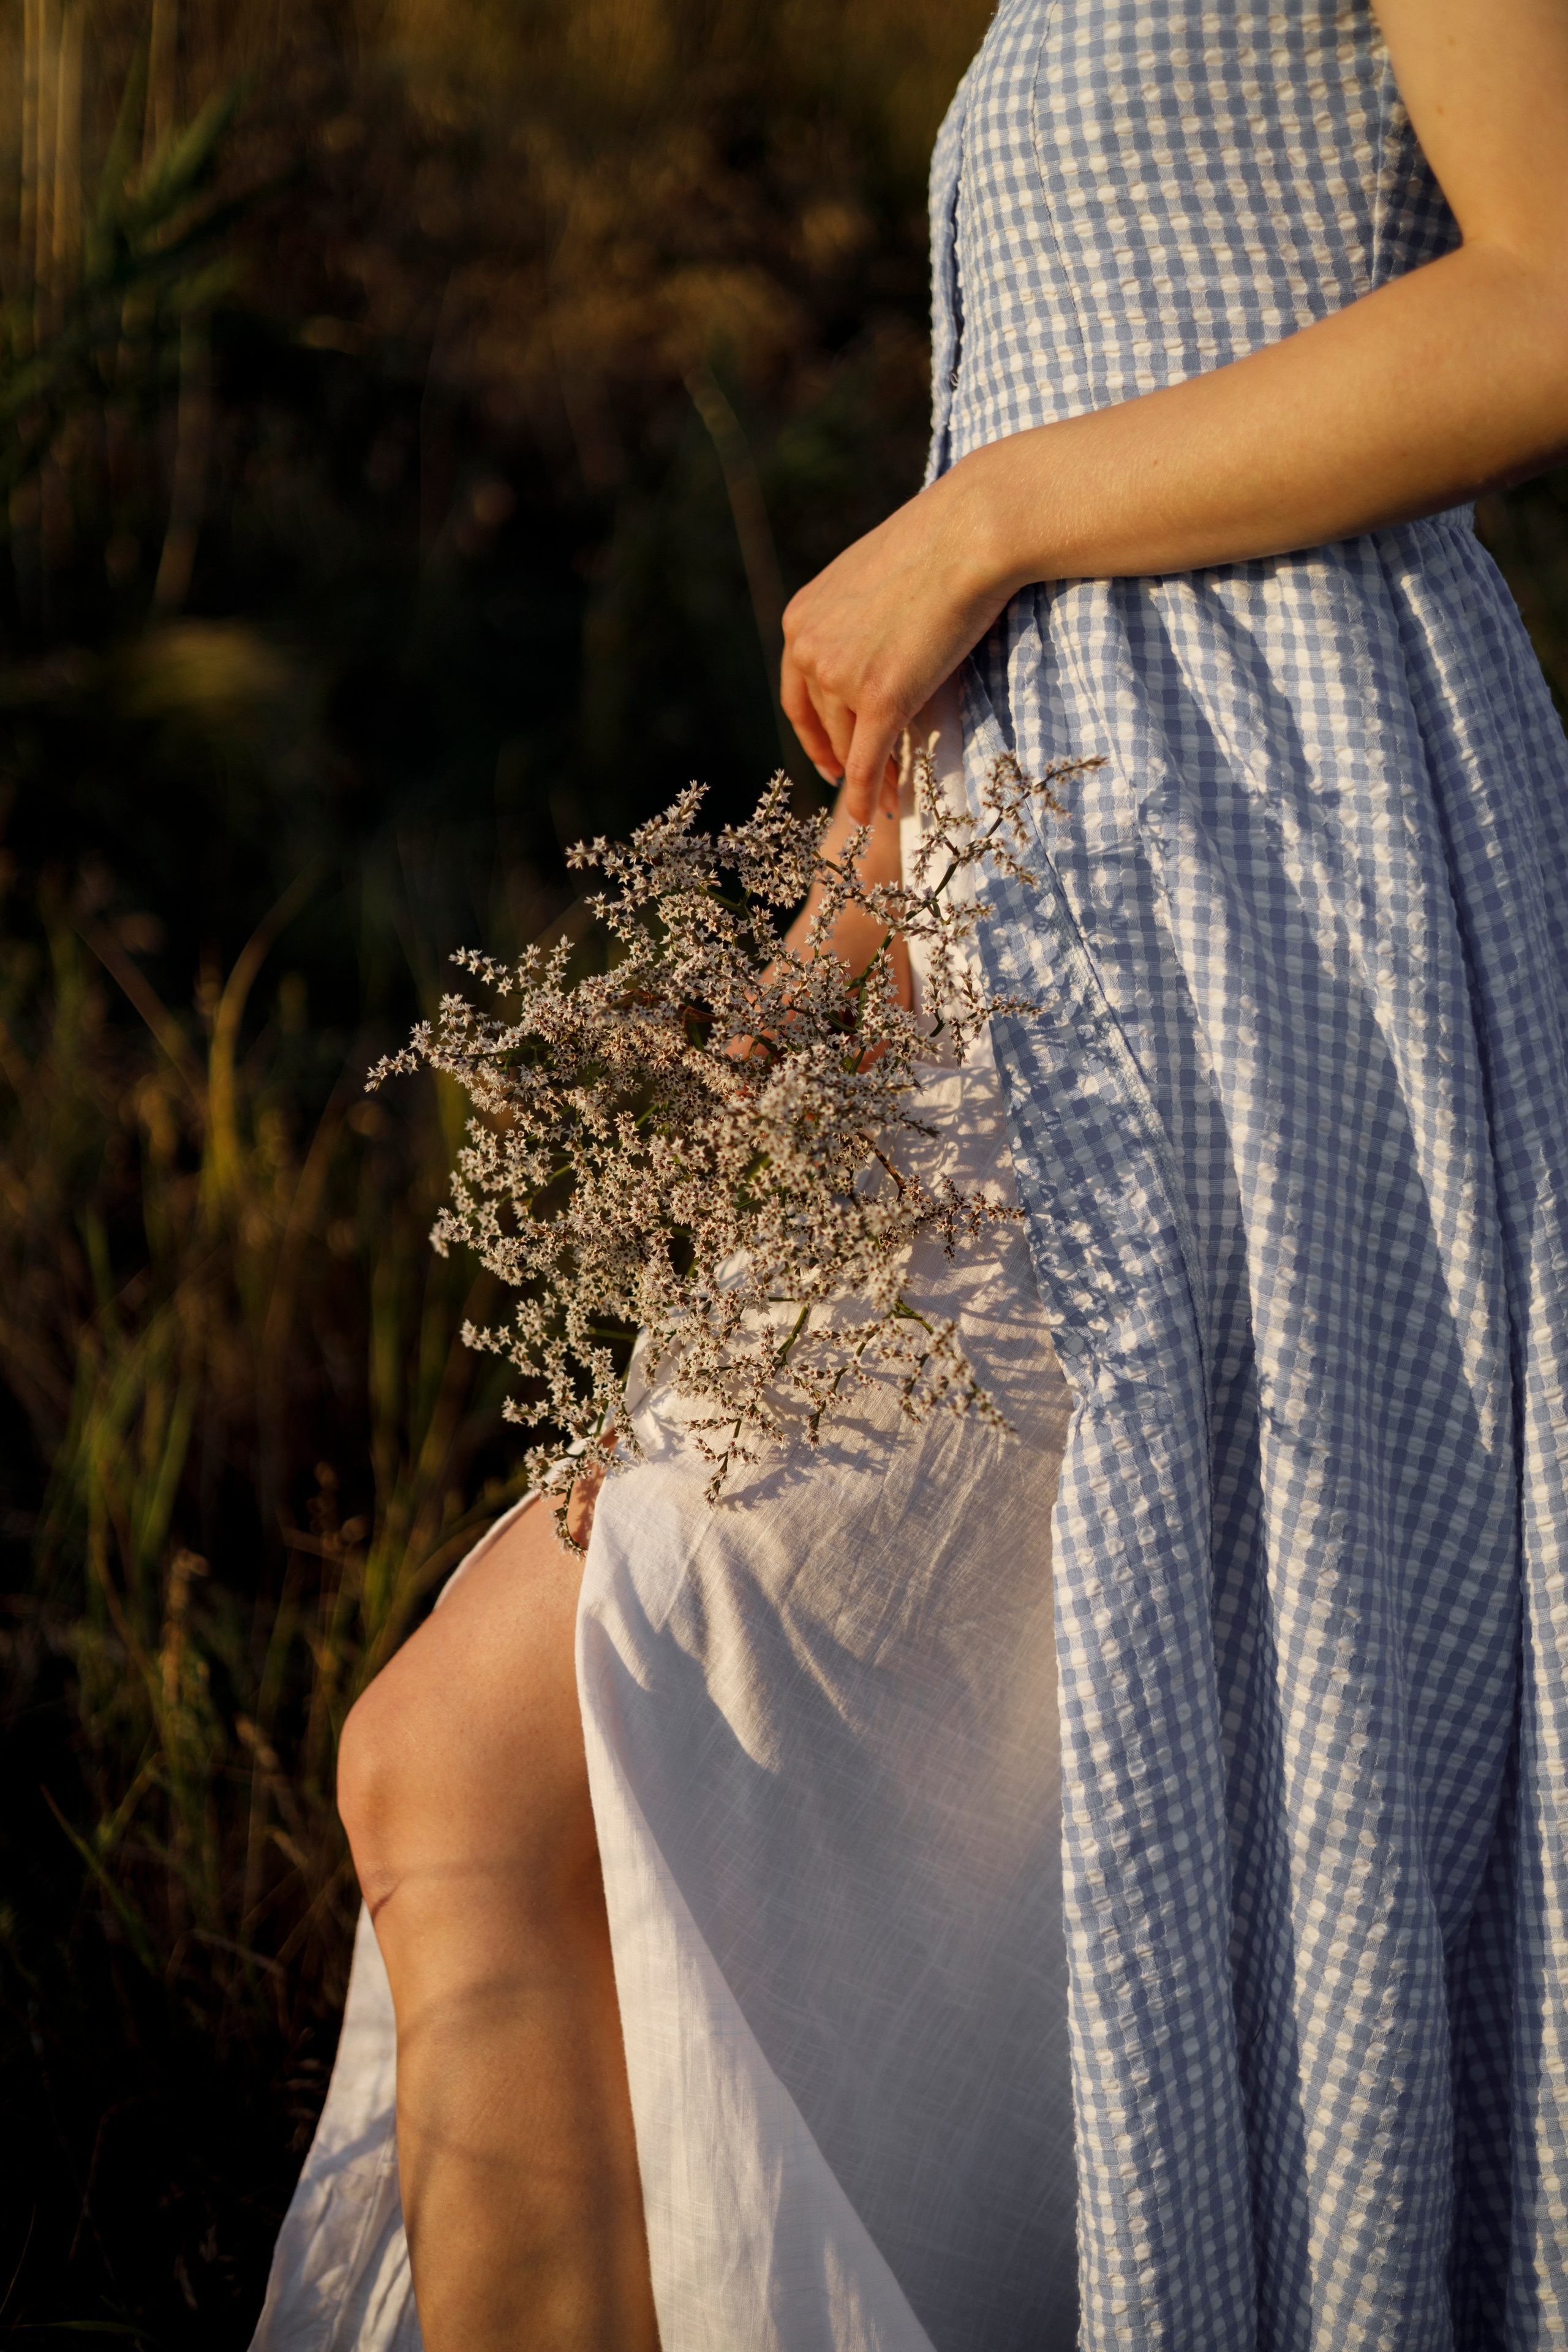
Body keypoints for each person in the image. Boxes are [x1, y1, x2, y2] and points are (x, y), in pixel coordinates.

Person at [252, 2, 1568, 2346]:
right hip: (1040, 932)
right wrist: (881, 900)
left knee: (487, 1751)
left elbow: (1547, 293)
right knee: (476, 1791)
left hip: (1254, 920)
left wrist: (973, 521)